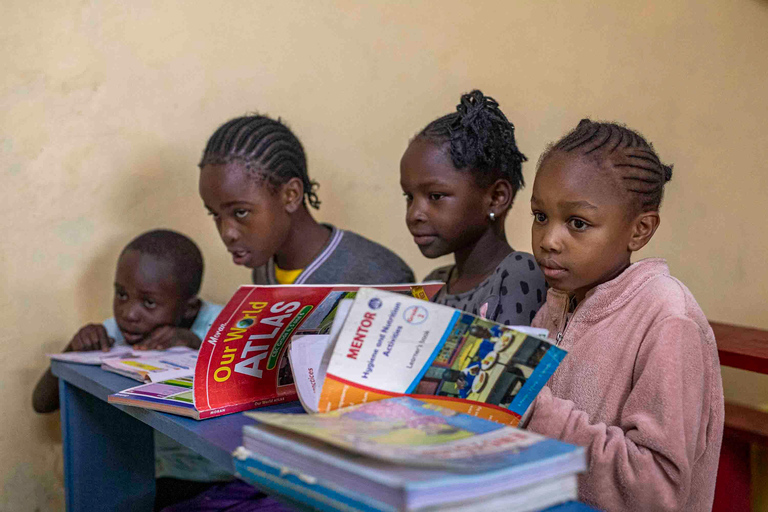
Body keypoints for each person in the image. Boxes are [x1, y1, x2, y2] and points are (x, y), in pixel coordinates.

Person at [524, 120, 724, 511]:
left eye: (577, 223)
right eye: (540, 215)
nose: (548, 239)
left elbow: (655, 491)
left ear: (640, 230)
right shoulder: (556, 305)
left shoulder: (668, 319)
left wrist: (532, 409)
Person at [31, 229, 232, 511]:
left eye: (148, 303)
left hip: (228, 476)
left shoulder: (226, 328)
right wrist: (72, 349)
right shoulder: (116, 334)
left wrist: (197, 347)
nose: (128, 313)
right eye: (121, 294)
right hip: (160, 477)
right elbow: (41, 402)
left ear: (189, 309)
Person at [198, 114, 414, 286]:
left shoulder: (380, 277)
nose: (227, 233)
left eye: (240, 212)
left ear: (290, 195)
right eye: (215, 214)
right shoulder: (264, 269)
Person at [400, 90, 545, 325]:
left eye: (435, 196)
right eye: (409, 196)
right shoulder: (433, 285)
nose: (414, 214)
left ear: (497, 198)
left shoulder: (517, 273)